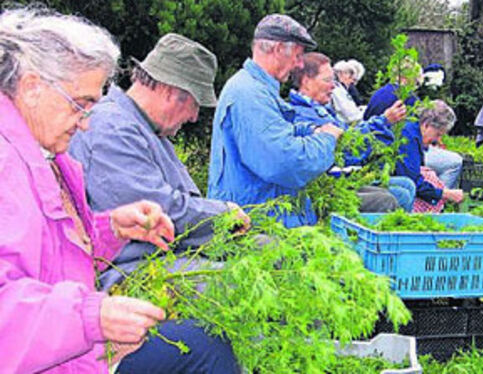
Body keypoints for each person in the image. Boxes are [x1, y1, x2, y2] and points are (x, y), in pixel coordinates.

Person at [0, 6, 239, 373]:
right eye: (80, 105)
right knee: (210, 341)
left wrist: (108, 228)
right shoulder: (7, 165)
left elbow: (51, 248)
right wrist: (92, 316)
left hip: (72, 345)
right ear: (32, 87)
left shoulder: (38, 150)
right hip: (60, 350)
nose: (84, 124)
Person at [69, 33, 250, 290]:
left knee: (271, 254)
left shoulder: (147, 128)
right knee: (239, 287)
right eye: (195, 104)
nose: (195, 117)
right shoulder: (110, 127)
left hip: (170, 257)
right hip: (130, 272)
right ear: (169, 91)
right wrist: (224, 215)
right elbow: (156, 211)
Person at [208, 14, 342, 228]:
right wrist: (326, 139)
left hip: (265, 217)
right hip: (257, 227)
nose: (299, 65)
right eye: (298, 56)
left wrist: (310, 130)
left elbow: (278, 132)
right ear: (278, 49)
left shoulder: (257, 89)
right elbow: (285, 162)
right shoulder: (250, 94)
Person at [289, 52, 416, 212]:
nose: (333, 85)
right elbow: (346, 150)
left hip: (344, 177)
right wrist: (384, 121)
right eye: (327, 80)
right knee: (394, 197)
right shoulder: (302, 116)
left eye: (333, 80)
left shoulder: (321, 110)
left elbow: (350, 135)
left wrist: (383, 122)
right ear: (306, 82)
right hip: (326, 189)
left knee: (406, 184)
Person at [364, 65, 463, 189]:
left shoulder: (378, 94)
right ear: (407, 78)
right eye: (416, 82)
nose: (416, 87)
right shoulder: (407, 100)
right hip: (399, 150)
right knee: (454, 162)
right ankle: (441, 199)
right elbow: (419, 130)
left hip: (377, 149)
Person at [396, 100, 464, 209]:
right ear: (426, 125)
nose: (437, 140)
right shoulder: (409, 138)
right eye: (437, 134)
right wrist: (444, 194)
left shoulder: (412, 131)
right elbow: (412, 180)